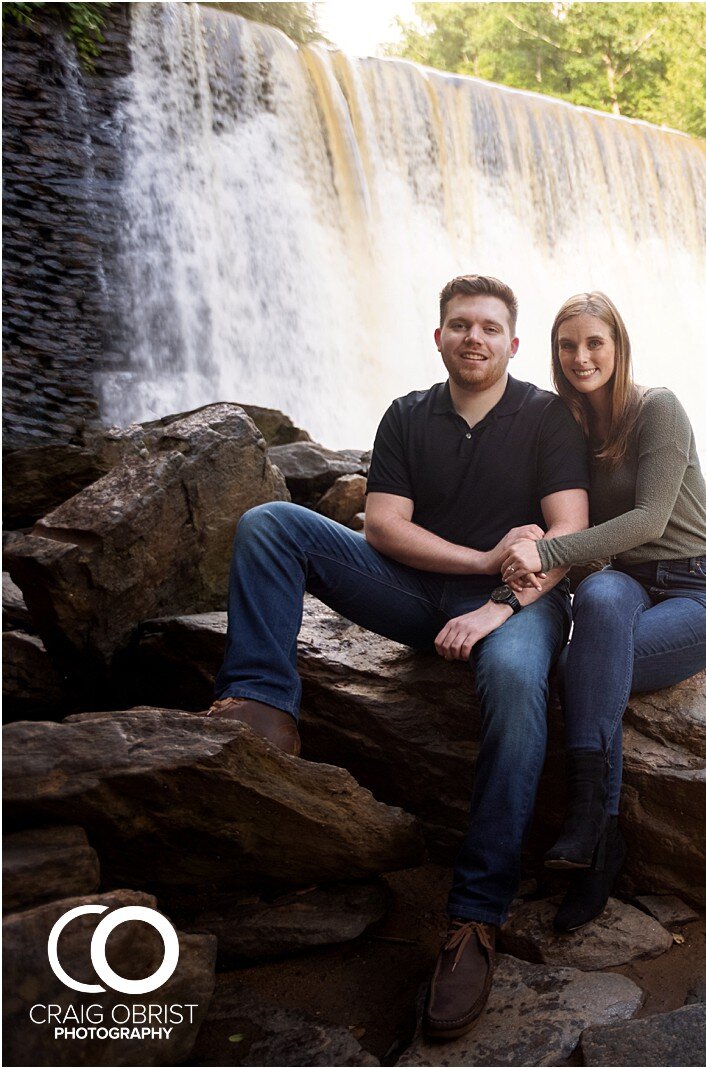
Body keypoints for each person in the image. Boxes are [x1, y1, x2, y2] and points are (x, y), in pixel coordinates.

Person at [203, 274, 590, 1041]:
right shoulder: (409, 415)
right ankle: (261, 705)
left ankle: (475, 919)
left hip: (517, 608)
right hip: (418, 592)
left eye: (487, 327)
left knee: (515, 683)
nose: (473, 337)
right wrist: (482, 559)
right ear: (439, 336)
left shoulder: (547, 417)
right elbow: (382, 526)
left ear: (512, 344)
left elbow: (565, 539)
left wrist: (496, 603)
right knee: (272, 525)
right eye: (459, 325)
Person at [499, 291, 706, 932]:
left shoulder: (657, 408)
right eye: (567, 345)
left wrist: (545, 551)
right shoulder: (571, 425)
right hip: (625, 583)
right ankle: (596, 831)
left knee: (585, 663)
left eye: (594, 342)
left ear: (618, 346)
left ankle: (593, 834)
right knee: (600, 597)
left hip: (696, 588)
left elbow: (649, 519)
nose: (581, 356)